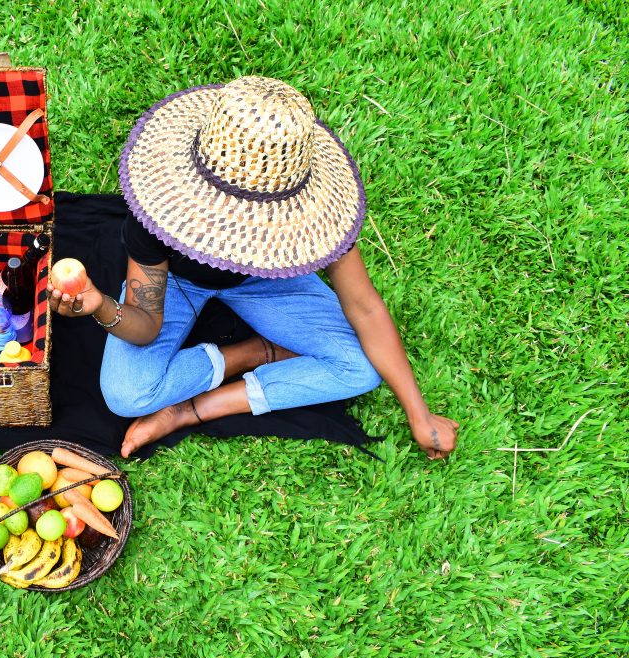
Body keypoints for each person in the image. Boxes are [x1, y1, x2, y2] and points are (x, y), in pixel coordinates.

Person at [47, 76, 459, 460]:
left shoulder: (317, 215)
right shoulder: (161, 214)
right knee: (127, 395)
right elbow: (145, 324)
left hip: (266, 280)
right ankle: (249, 354)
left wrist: (419, 416)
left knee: (364, 366)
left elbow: (365, 307)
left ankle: (192, 409)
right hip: (180, 282)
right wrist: (101, 306)